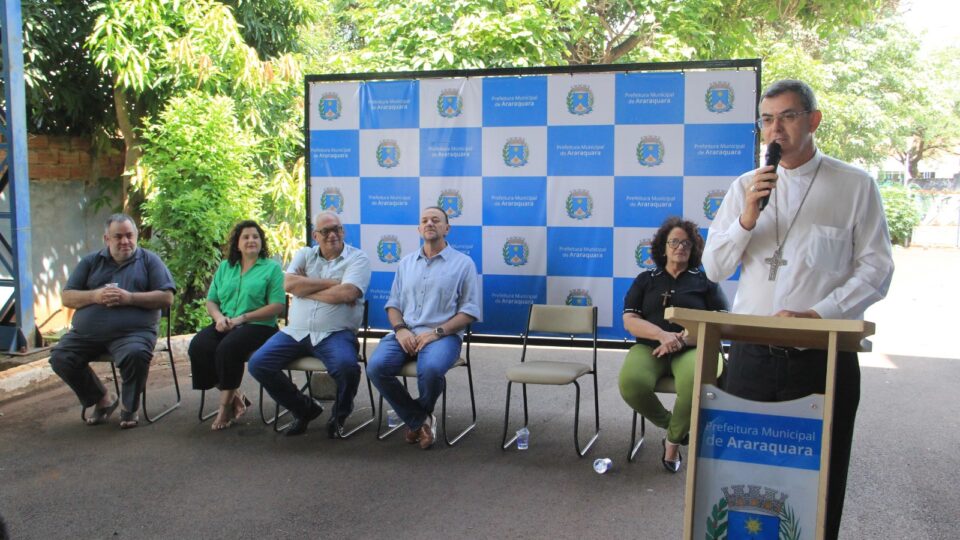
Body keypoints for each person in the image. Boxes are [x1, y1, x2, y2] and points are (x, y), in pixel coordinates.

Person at [702, 79, 895, 539]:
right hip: (750, 358)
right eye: (767, 120)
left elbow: (876, 269)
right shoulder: (746, 186)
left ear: (813, 121)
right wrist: (747, 218)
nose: (776, 130)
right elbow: (712, 267)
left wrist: (820, 315)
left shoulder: (854, 185)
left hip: (821, 360)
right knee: (740, 480)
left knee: (817, 484)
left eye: (787, 117)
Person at [619, 217, 728, 473]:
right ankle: (673, 426)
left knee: (697, 381)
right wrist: (661, 335)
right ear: (663, 246)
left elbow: (721, 322)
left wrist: (679, 339)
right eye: (674, 242)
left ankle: (672, 443)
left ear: (694, 249)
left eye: (687, 243)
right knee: (631, 384)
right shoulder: (645, 279)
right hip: (650, 347)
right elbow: (630, 320)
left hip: (693, 347)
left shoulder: (706, 281)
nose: (680, 247)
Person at [247, 211, 371, 437]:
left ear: (343, 231)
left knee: (346, 368)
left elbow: (347, 292)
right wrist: (331, 283)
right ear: (316, 235)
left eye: (337, 229)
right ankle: (304, 409)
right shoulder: (305, 254)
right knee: (258, 364)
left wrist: (305, 290)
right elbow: (288, 283)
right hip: (296, 332)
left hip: (336, 333)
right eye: (326, 231)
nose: (332, 235)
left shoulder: (358, 259)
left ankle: (340, 415)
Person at [366, 206, 480, 450]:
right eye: (425, 220)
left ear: (446, 228)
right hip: (405, 332)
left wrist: (436, 333)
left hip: (443, 336)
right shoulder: (406, 263)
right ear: (418, 229)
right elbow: (393, 305)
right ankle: (420, 419)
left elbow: (469, 311)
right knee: (376, 368)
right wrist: (400, 330)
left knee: (430, 369)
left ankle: (417, 419)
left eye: (436, 220)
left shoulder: (463, 264)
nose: (430, 223)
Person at [49, 214, 176, 429]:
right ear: (107, 239)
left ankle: (130, 407)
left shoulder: (149, 260)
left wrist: (130, 298)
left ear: (136, 236)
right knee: (61, 357)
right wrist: (94, 296)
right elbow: (67, 297)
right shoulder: (91, 262)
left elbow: (167, 297)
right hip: (87, 335)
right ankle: (103, 399)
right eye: (118, 237)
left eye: (129, 236)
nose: (125, 241)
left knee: (135, 354)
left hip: (133, 334)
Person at [188, 220, 285, 430]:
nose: (251, 240)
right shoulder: (225, 267)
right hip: (226, 322)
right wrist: (219, 318)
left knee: (227, 349)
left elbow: (277, 306)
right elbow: (211, 300)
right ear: (237, 244)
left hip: (260, 326)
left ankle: (224, 408)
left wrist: (244, 318)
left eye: (255, 237)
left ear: (262, 242)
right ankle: (235, 398)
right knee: (199, 347)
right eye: (246, 237)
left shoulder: (272, 268)